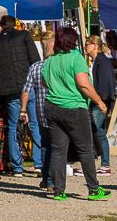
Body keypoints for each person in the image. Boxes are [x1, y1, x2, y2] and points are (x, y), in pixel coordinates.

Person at [39, 25, 109, 201]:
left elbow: (43, 83)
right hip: (74, 108)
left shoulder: (50, 60)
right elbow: (84, 84)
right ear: (73, 41)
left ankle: (58, 190)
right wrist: (99, 101)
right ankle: (93, 189)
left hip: (53, 106)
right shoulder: (76, 58)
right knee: (85, 148)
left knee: (58, 150)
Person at [0, 17, 39, 178]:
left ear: (0, 28)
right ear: (14, 25)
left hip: (7, 89)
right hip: (26, 86)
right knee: (34, 124)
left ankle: (17, 167)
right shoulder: (24, 36)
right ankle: (39, 163)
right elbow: (35, 60)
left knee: (13, 126)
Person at [87, 34, 117, 175]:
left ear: (95, 46)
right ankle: (104, 163)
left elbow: (105, 83)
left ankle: (104, 164)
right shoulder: (98, 60)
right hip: (100, 100)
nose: (85, 47)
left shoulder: (102, 61)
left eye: (87, 44)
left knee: (96, 130)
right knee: (98, 131)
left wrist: (101, 101)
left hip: (101, 100)